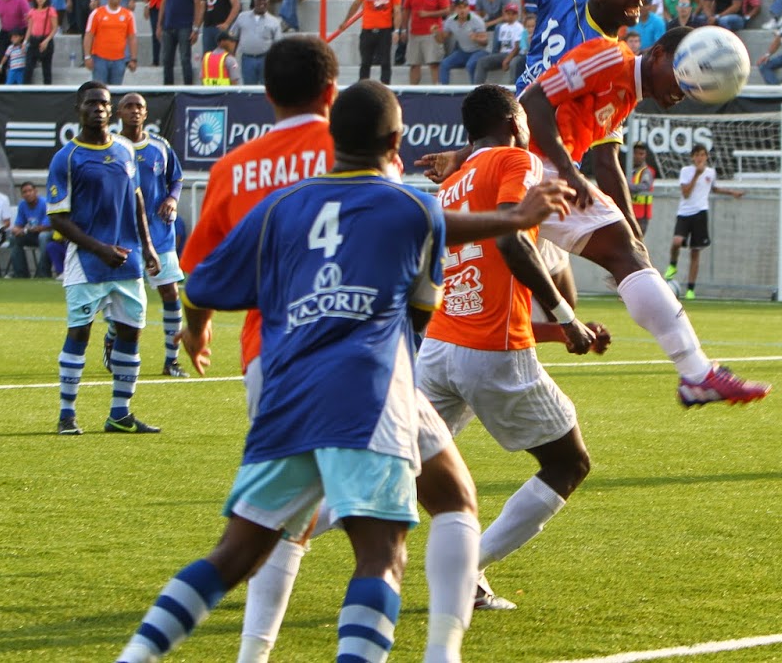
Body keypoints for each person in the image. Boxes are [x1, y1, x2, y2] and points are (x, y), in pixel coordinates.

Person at [136, 64, 565, 663]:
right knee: (396, 541)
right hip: (369, 392)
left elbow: (200, 285)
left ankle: (142, 655)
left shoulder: (280, 207)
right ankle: (443, 652)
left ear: (333, 140)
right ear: (396, 144)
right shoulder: (411, 209)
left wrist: (196, 330)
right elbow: (431, 280)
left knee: (234, 552)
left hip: (284, 393)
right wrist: (516, 217)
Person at [379, 0, 770, 405]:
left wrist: (631, 232)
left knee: (603, 263)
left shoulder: (621, 82)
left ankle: (688, 370)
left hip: (518, 153)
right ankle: (687, 370)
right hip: (527, 159)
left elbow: (604, 160)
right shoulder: (597, 39)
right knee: (496, 282)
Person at [421, 83, 610, 612]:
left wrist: (561, 328)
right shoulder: (515, 157)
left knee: (389, 462)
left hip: (438, 345)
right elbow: (511, 240)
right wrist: (567, 318)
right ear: (515, 122)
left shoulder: (450, 183)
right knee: (568, 463)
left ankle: (277, 535)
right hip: (490, 348)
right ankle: (466, 572)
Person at [49, 82, 162, 436]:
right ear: (79, 108)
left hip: (127, 259)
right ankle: (67, 415)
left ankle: (120, 414)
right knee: (79, 333)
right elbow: (57, 217)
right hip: (87, 262)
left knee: (131, 332)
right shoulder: (67, 157)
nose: (99, 108)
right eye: (91, 103)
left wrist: (149, 246)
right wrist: (100, 249)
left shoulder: (127, 150)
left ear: (111, 111)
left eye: (104, 104)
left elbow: (138, 199)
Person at [117, 94, 188, 378]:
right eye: (129, 106)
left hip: (159, 233)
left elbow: (177, 179)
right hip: (123, 234)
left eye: (140, 107)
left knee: (170, 292)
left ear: (146, 114)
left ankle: (172, 360)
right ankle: (114, 343)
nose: (135, 111)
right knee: (121, 296)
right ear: (119, 112)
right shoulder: (111, 145)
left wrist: (172, 199)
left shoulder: (160, 146)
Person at [663, 143, 745, 301]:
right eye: (697, 155)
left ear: (706, 157)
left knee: (695, 251)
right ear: (692, 157)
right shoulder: (686, 171)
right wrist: (696, 175)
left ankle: (690, 290)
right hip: (684, 213)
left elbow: (713, 189)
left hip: (701, 213)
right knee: (677, 241)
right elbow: (686, 193)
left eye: (702, 155)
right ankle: (673, 264)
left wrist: (732, 192)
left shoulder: (711, 172)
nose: (700, 158)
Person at [8, 181, 54, 279]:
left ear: (36, 191)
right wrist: (15, 230)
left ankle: (43, 273)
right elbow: (18, 224)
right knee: (13, 238)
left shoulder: (45, 203)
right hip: (32, 235)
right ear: (22, 195)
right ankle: (21, 274)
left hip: (47, 234)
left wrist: (25, 230)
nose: (28, 194)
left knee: (43, 236)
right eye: (24, 192)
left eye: (30, 191)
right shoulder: (22, 205)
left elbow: (47, 226)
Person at [629, 142, 655, 236]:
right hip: (630, 211)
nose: (638, 156)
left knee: (637, 240)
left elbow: (645, 186)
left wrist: (628, 187)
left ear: (645, 155)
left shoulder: (647, 171)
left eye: (641, 154)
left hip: (641, 215)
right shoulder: (629, 170)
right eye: (636, 153)